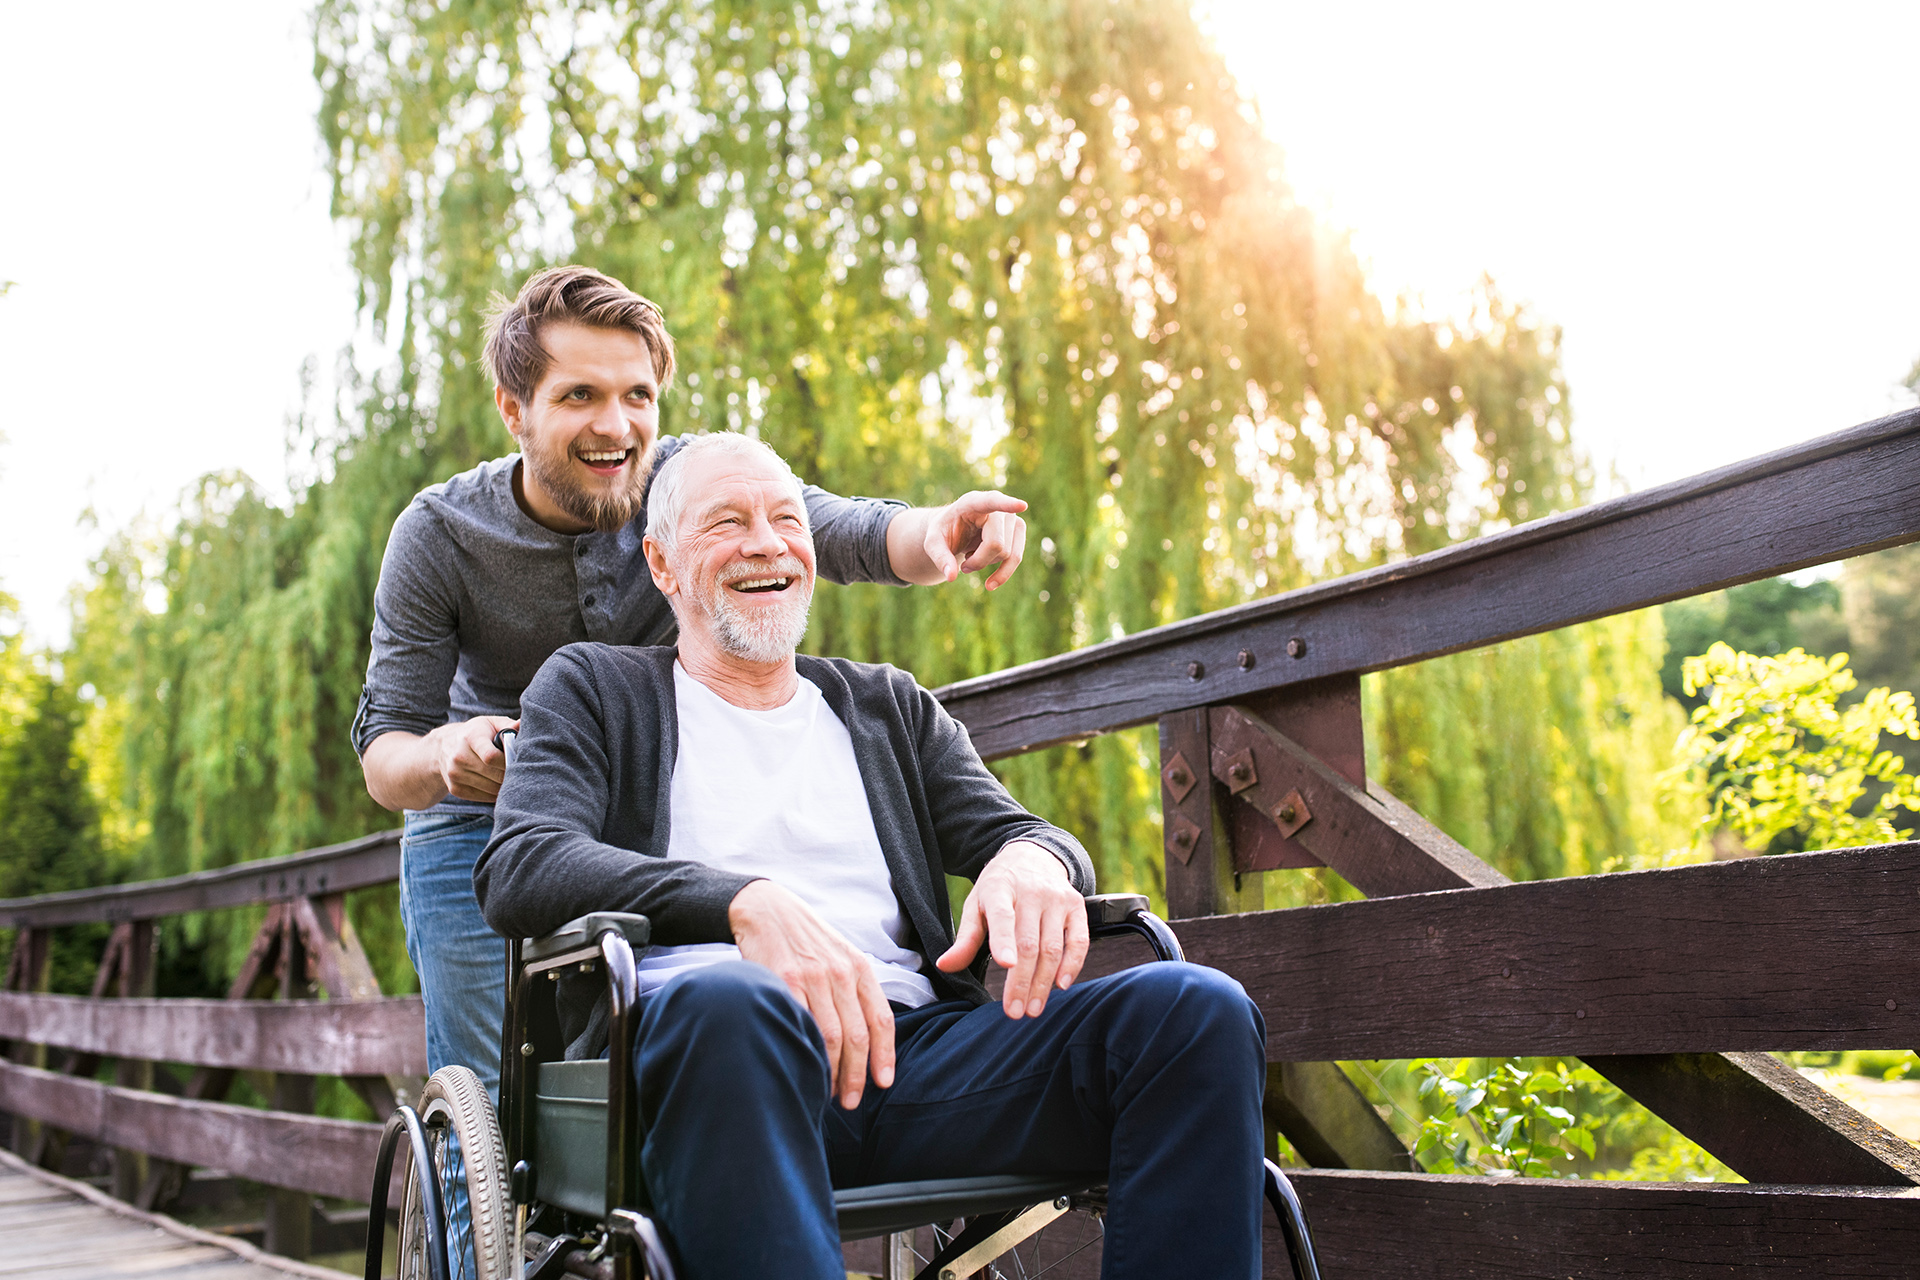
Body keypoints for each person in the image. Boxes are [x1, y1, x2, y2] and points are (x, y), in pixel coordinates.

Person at [473, 432, 1269, 1279]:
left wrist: (1034, 861)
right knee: (732, 1002)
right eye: (727, 522)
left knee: (1194, 1013)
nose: (767, 542)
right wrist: (743, 903)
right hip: (708, 1059)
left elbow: (1023, 831)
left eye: (786, 519)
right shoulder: (594, 688)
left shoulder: (885, 706)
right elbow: (523, 863)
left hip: (915, 1057)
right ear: (664, 566)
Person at [352, 265, 1032, 1100]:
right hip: (477, 823)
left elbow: (842, 529)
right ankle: (490, 1225)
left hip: (635, 807)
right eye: (579, 397)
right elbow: (385, 755)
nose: (616, 425)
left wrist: (944, 532)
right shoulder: (440, 534)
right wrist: (445, 756)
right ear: (512, 409)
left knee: (635, 1073)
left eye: (638, 395)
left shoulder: (686, 487)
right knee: (491, 1101)